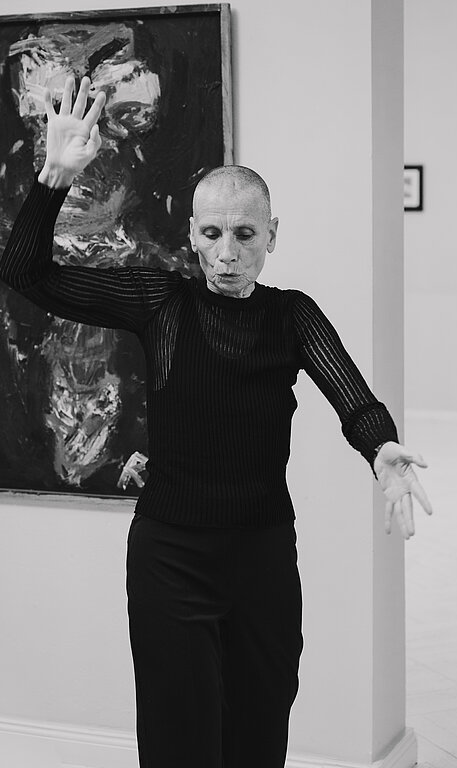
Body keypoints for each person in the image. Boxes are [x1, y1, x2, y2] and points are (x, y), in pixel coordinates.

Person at [0, 76, 432, 768]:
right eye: (211, 234)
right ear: (192, 235)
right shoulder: (160, 302)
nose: (227, 253)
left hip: (262, 561)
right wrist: (54, 177)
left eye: (244, 234)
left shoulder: (291, 316)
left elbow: (353, 398)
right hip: (170, 560)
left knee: (257, 739)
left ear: (271, 236)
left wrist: (380, 445)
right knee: (180, 745)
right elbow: (25, 273)